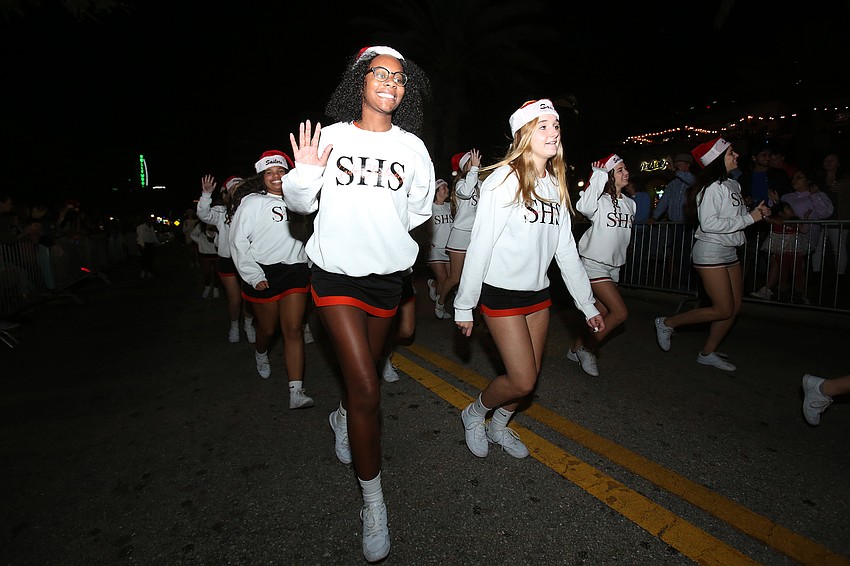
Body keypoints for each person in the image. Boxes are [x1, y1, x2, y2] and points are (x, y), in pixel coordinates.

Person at [282, 45, 434, 563]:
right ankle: (374, 502)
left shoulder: (414, 148)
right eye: (380, 74)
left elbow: (416, 212)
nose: (391, 82)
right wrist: (301, 174)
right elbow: (301, 204)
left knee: (362, 378)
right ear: (359, 81)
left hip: (387, 278)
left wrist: (382, 235)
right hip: (335, 275)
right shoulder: (332, 138)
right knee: (368, 387)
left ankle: (342, 416)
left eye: (399, 77)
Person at [454, 99, 604, 461]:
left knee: (530, 378)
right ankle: (474, 413)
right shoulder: (503, 180)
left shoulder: (554, 184)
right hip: (501, 294)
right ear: (524, 133)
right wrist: (464, 303)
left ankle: (499, 424)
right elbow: (481, 245)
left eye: (556, 126)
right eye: (543, 126)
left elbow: (566, 250)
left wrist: (586, 303)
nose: (553, 132)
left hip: (538, 295)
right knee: (520, 379)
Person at [654, 137, 772, 372]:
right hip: (711, 252)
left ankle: (707, 352)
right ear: (717, 161)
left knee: (734, 307)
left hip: (730, 250)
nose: (736, 156)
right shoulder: (710, 188)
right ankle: (667, 322)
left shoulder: (733, 185)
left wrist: (755, 212)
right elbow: (709, 224)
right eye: (730, 153)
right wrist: (750, 218)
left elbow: (732, 218)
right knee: (723, 308)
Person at [228, 149, 314, 411]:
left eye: (281, 171)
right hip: (264, 273)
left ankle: (296, 391)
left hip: (296, 272)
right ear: (262, 176)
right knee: (267, 330)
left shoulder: (301, 202)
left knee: (293, 329)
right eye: (270, 172)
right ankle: (261, 352)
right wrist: (253, 275)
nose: (276, 176)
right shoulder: (252, 202)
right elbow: (237, 241)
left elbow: (310, 234)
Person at [568, 153, 635, 377]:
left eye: (625, 169)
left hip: (613, 267)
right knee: (619, 313)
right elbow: (584, 207)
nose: (626, 172)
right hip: (593, 264)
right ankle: (588, 349)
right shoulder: (599, 201)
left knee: (600, 312)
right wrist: (597, 177)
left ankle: (576, 347)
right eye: (619, 169)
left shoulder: (631, 204)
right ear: (609, 176)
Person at [198, 174, 256, 343]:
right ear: (227, 193)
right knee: (235, 299)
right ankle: (234, 326)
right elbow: (204, 215)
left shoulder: (252, 209)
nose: (238, 192)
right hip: (228, 261)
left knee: (249, 297)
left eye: (241, 189)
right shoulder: (221, 212)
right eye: (234, 189)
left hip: (249, 259)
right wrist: (206, 194)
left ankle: (248, 324)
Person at [437, 148, 482, 319]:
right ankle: (440, 303)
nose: (477, 163)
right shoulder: (461, 183)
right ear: (466, 166)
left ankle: (472, 309)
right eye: (472, 161)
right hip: (460, 235)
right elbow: (466, 192)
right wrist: (474, 171)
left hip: (476, 235)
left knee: (475, 276)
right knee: (455, 278)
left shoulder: (479, 183)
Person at [651, 153, 696, 287]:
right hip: (675, 226)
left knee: (688, 255)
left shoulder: (693, 181)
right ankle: (681, 283)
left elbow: (690, 180)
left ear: (687, 165)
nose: (676, 165)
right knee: (677, 255)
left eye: (679, 162)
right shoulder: (672, 184)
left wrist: (674, 170)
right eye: (676, 163)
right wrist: (654, 217)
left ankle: (689, 283)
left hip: (688, 225)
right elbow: (664, 202)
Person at [750, 201, 808, 302]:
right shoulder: (777, 220)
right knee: (780, 270)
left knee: (797, 272)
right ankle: (775, 293)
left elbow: (803, 230)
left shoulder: (795, 221)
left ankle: (801, 295)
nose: (791, 210)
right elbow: (774, 221)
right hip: (779, 250)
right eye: (788, 208)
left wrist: (806, 219)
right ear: (781, 213)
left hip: (794, 251)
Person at [813, 152, 849, 276]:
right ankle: (816, 274)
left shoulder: (845, 179)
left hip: (838, 218)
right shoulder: (818, 180)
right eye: (826, 159)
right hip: (819, 219)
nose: (828, 162)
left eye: (832, 160)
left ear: (838, 164)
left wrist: (843, 188)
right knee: (817, 247)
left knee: (838, 248)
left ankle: (839, 276)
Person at [425, 178, 452, 315]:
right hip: (435, 249)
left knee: (450, 279)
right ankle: (440, 307)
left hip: (448, 249)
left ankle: (433, 285)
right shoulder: (429, 208)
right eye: (443, 187)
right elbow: (422, 228)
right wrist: (427, 241)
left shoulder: (449, 206)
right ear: (436, 192)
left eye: (446, 187)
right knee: (443, 278)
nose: (446, 189)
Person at [190, 219, 221, 299]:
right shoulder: (201, 225)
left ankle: (216, 288)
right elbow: (192, 235)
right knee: (207, 272)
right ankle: (207, 287)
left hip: (216, 252)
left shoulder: (217, 223)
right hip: (205, 253)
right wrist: (200, 242)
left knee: (217, 272)